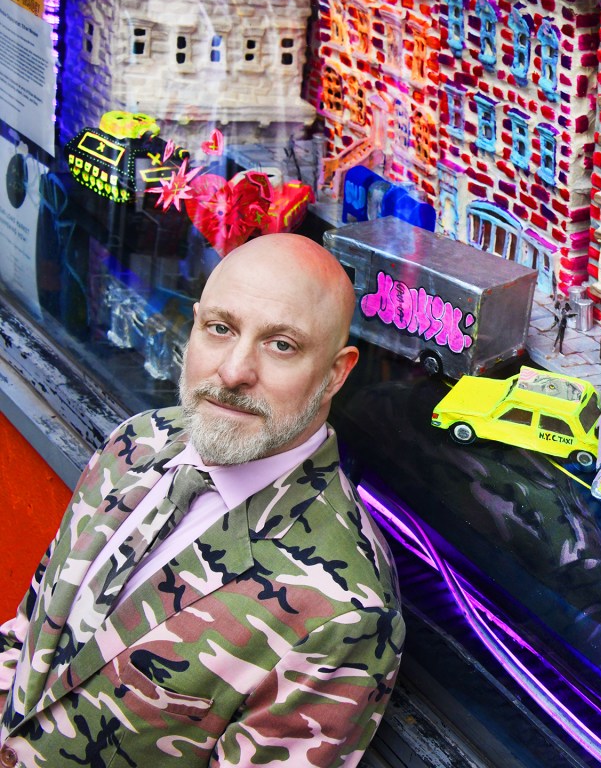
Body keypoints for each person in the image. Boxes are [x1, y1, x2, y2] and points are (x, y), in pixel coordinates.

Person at [0, 235, 404, 767]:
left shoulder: (343, 610)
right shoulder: (135, 442)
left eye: (281, 344)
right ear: (193, 328)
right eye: (221, 328)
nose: (235, 370)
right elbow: (32, 629)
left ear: (334, 373)